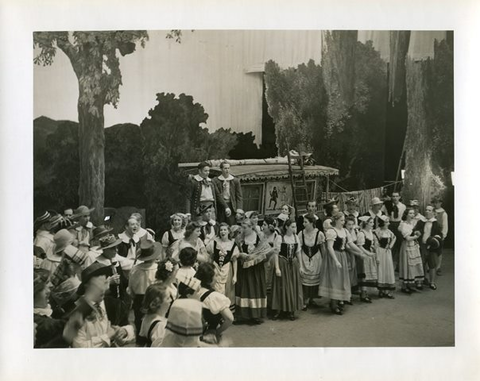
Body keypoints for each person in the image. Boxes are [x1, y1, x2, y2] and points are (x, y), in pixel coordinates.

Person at [71, 263, 135, 348]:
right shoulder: (78, 312)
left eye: (104, 283)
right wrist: (107, 337)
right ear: (87, 286)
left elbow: (130, 328)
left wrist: (124, 331)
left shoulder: (114, 304)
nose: (102, 289)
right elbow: (79, 346)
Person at [318, 213, 363, 315]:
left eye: (343, 221)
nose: (343, 222)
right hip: (334, 256)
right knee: (335, 279)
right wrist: (336, 261)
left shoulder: (345, 231)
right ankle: (333, 304)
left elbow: (350, 244)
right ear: (337, 220)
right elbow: (329, 247)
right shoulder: (331, 231)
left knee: (341, 279)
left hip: (342, 256)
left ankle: (338, 301)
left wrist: (360, 251)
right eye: (342, 220)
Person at [89, 234, 130, 327]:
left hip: (120, 301)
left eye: (116, 248)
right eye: (112, 248)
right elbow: (94, 289)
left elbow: (123, 281)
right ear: (105, 249)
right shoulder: (97, 265)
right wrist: (108, 282)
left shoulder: (116, 262)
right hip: (107, 302)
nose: (116, 250)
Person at [235, 219, 269, 324]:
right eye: (242, 227)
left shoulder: (259, 237)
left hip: (256, 268)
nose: (243, 230)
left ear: (251, 227)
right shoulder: (240, 238)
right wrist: (241, 255)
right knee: (244, 289)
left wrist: (256, 257)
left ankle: (256, 315)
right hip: (244, 268)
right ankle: (243, 315)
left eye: (245, 228)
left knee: (255, 288)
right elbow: (236, 251)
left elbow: (265, 250)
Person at [128, 240, 162, 339]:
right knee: (154, 323)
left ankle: (141, 341)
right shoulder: (158, 269)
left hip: (139, 299)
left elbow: (130, 289)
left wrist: (134, 296)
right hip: (154, 298)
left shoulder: (135, 269)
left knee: (140, 323)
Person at [271, 219, 304, 321]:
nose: (295, 229)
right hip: (282, 264)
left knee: (292, 286)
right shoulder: (280, 238)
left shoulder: (295, 238)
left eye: (295, 227)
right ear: (286, 227)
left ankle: (291, 310)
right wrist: (277, 268)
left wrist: (301, 266)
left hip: (293, 265)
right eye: (292, 227)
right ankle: (279, 310)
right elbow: (276, 253)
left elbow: (298, 253)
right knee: (282, 286)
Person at [194, 263, 234, 344]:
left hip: (194, 334)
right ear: (209, 280)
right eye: (215, 276)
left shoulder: (193, 292)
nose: (217, 278)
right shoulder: (215, 297)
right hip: (209, 336)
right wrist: (217, 332)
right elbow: (230, 318)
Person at [206, 223, 239, 312]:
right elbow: (210, 256)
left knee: (227, 290)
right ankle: (215, 310)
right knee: (214, 288)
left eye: (225, 230)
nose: (223, 232)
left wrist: (235, 275)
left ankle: (225, 311)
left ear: (228, 231)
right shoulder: (214, 243)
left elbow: (235, 261)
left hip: (227, 269)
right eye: (221, 230)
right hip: (216, 269)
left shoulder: (232, 244)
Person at [34, 269, 68, 348]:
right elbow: (63, 326)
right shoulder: (37, 321)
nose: (48, 290)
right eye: (43, 287)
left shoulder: (47, 307)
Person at [298, 214, 325, 310]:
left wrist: (324, 260)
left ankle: (312, 299)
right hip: (305, 257)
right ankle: (305, 299)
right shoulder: (301, 234)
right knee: (305, 279)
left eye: (305, 222)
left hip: (316, 258)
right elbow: (299, 249)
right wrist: (300, 261)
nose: (303, 224)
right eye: (303, 222)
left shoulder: (319, 234)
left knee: (315, 279)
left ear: (312, 223)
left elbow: (322, 248)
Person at [416, 204, 443, 290]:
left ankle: (432, 282)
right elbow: (415, 230)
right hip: (422, 245)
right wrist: (417, 232)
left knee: (432, 265)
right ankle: (422, 280)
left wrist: (435, 240)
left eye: (429, 210)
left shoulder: (436, 223)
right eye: (426, 210)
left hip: (432, 247)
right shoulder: (421, 222)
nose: (427, 212)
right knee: (422, 263)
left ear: (433, 213)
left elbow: (440, 235)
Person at [398, 208, 425, 293]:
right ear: (406, 214)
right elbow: (408, 238)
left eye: (413, 213)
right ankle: (404, 286)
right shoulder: (403, 224)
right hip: (407, 245)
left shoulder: (412, 223)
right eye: (410, 213)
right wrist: (416, 237)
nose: (412, 215)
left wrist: (417, 233)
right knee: (406, 265)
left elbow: (414, 233)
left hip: (413, 245)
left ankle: (409, 284)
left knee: (413, 265)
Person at [212, 161, 243, 225]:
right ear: (221, 169)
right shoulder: (216, 180)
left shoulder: (235, 181)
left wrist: (239, 210)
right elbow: (217, 195)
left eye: (228, 168)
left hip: (232, 205)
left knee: (231, 225)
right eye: (225, 168)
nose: (227, 170)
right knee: (221, 224)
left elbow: (239, 196)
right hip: (220, 206)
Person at [356, 216, 379, 302]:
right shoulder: (361, 233)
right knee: (364, 274)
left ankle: (366, 292)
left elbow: (370, 243)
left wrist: (373, 248)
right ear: (366, 223)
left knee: (368, 274)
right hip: (363, 255)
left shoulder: (370, 232)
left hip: (369, 254)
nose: (373, 224)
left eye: (372, 222)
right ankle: (363, 293)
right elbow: (360, 246)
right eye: (371, 223)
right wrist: (367, 253)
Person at [381, 192, 406, 271]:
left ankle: (399, 265)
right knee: (390, 244)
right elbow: (382, 215)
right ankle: (388, 265)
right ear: (391, 197)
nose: (395, 198)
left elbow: (404, 218)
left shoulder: (403, 206)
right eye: (393, 196)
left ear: (399, 197)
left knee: (400, 245)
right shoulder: (386, 206)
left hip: (399, 225)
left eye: (396, 196)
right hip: (390, 224)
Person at [374, 215, 397, 298]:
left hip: (387, 253)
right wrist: (377, 256)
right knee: (381, 270)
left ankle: (388, 291)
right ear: (382, 223)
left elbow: (394, 238)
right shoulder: (377, 231)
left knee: (388, 269)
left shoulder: (389, 231)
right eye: (387, 222)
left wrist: (390, 246)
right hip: (380, 252)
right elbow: (376, 244)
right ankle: (381, 290)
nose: (388, 223)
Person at [261, 216, 280, 295]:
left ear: (270, 226)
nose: (262, 226)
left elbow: (276, 250)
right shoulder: (262, 235)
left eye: (264, 225)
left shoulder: (276, 236)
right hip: (263, 260)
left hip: (272, 260)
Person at [344, 216, 360, 303]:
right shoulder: (345, 232)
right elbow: (347, 246)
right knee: (347, 273)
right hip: (346, 254)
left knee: (352, 273)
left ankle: (349, 294)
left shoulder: (353, 231)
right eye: (349, 224)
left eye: (352, 224)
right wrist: (358, 252)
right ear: (345, 225)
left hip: (352, 254)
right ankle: (345, 296)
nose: (350, 226)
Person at [432, 196, 448, 276]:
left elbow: (445, 225)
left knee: (439, 251)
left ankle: (438, 267)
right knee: (431, 250)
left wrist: (443, 235)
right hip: (432, 232)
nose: (436, 204)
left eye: (437, 202)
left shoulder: (443, 213)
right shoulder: (432, 211)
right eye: (434, 202)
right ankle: (431, 266)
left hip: (439, 233)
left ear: (440, 203)